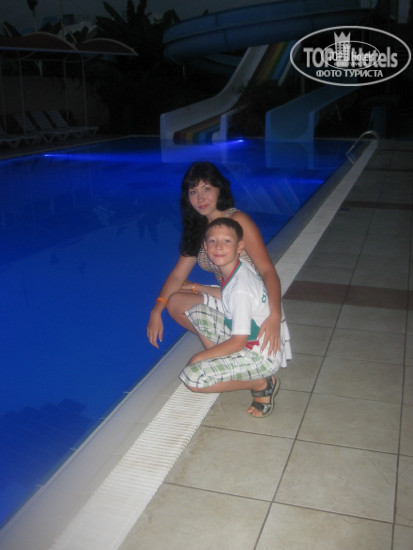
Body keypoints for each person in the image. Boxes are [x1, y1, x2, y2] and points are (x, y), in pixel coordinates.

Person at [147, 161, 282, 356]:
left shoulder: (237, 221)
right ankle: (227, 353)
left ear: (220, 188)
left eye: (206, 189)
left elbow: (267, 270)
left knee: (182, 300)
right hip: (229, 296)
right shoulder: (199, 229)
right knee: (175, 302)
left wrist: (275, 316)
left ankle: (230, 352)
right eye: (193, 192)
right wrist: (156, 310)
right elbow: (177, 275)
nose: (200, 198)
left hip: (252, 300)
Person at [179, 217, 291, 417]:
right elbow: (227, 295)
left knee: (193, 378)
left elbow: (238, 342)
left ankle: (261, 383)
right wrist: (198, 288)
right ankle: (229, 365)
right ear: (205, 246)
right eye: (213, 241)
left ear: (240, 247)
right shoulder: (237, 269)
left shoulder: (241, 289)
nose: (219, 246)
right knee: (197, 311)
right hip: (255, 341)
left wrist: (199, 358)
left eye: (227, 241)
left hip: (260, 356)